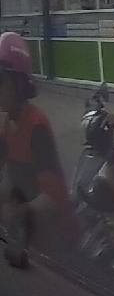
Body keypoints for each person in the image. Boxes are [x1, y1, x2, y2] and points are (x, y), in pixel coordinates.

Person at [0, 33, 77, 267]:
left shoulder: (36, 125)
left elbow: (53, 198)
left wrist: (17, 213)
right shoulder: (6, 122)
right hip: (25, 233)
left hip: (53, 242)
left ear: (20, 84)